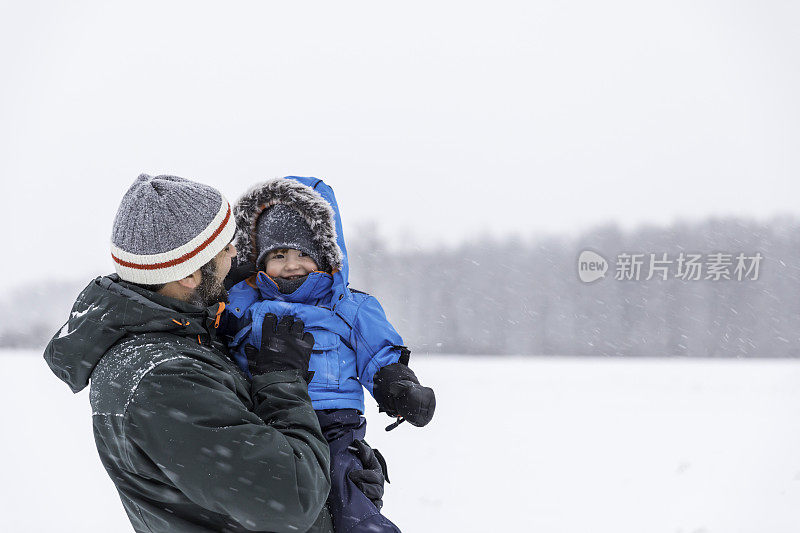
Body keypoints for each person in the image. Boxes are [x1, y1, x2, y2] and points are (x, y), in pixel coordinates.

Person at [43, 174, 386, 533]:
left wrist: (339, 488)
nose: (238, 255)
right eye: (225, 249)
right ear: (189, 274)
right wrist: (282, 380)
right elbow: (294, 496)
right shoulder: (164, 378)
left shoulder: (187, 336)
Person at [224, 176, 436, 533]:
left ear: (323, 255)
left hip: (335, 427)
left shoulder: (349, 307)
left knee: (346, 490)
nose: (291, 264)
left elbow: (380, 353)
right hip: (266, 420)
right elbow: (217, 338)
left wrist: (399, 388)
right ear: (260, 261)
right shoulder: (242, 303)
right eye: (278, 255)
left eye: (302, 253)